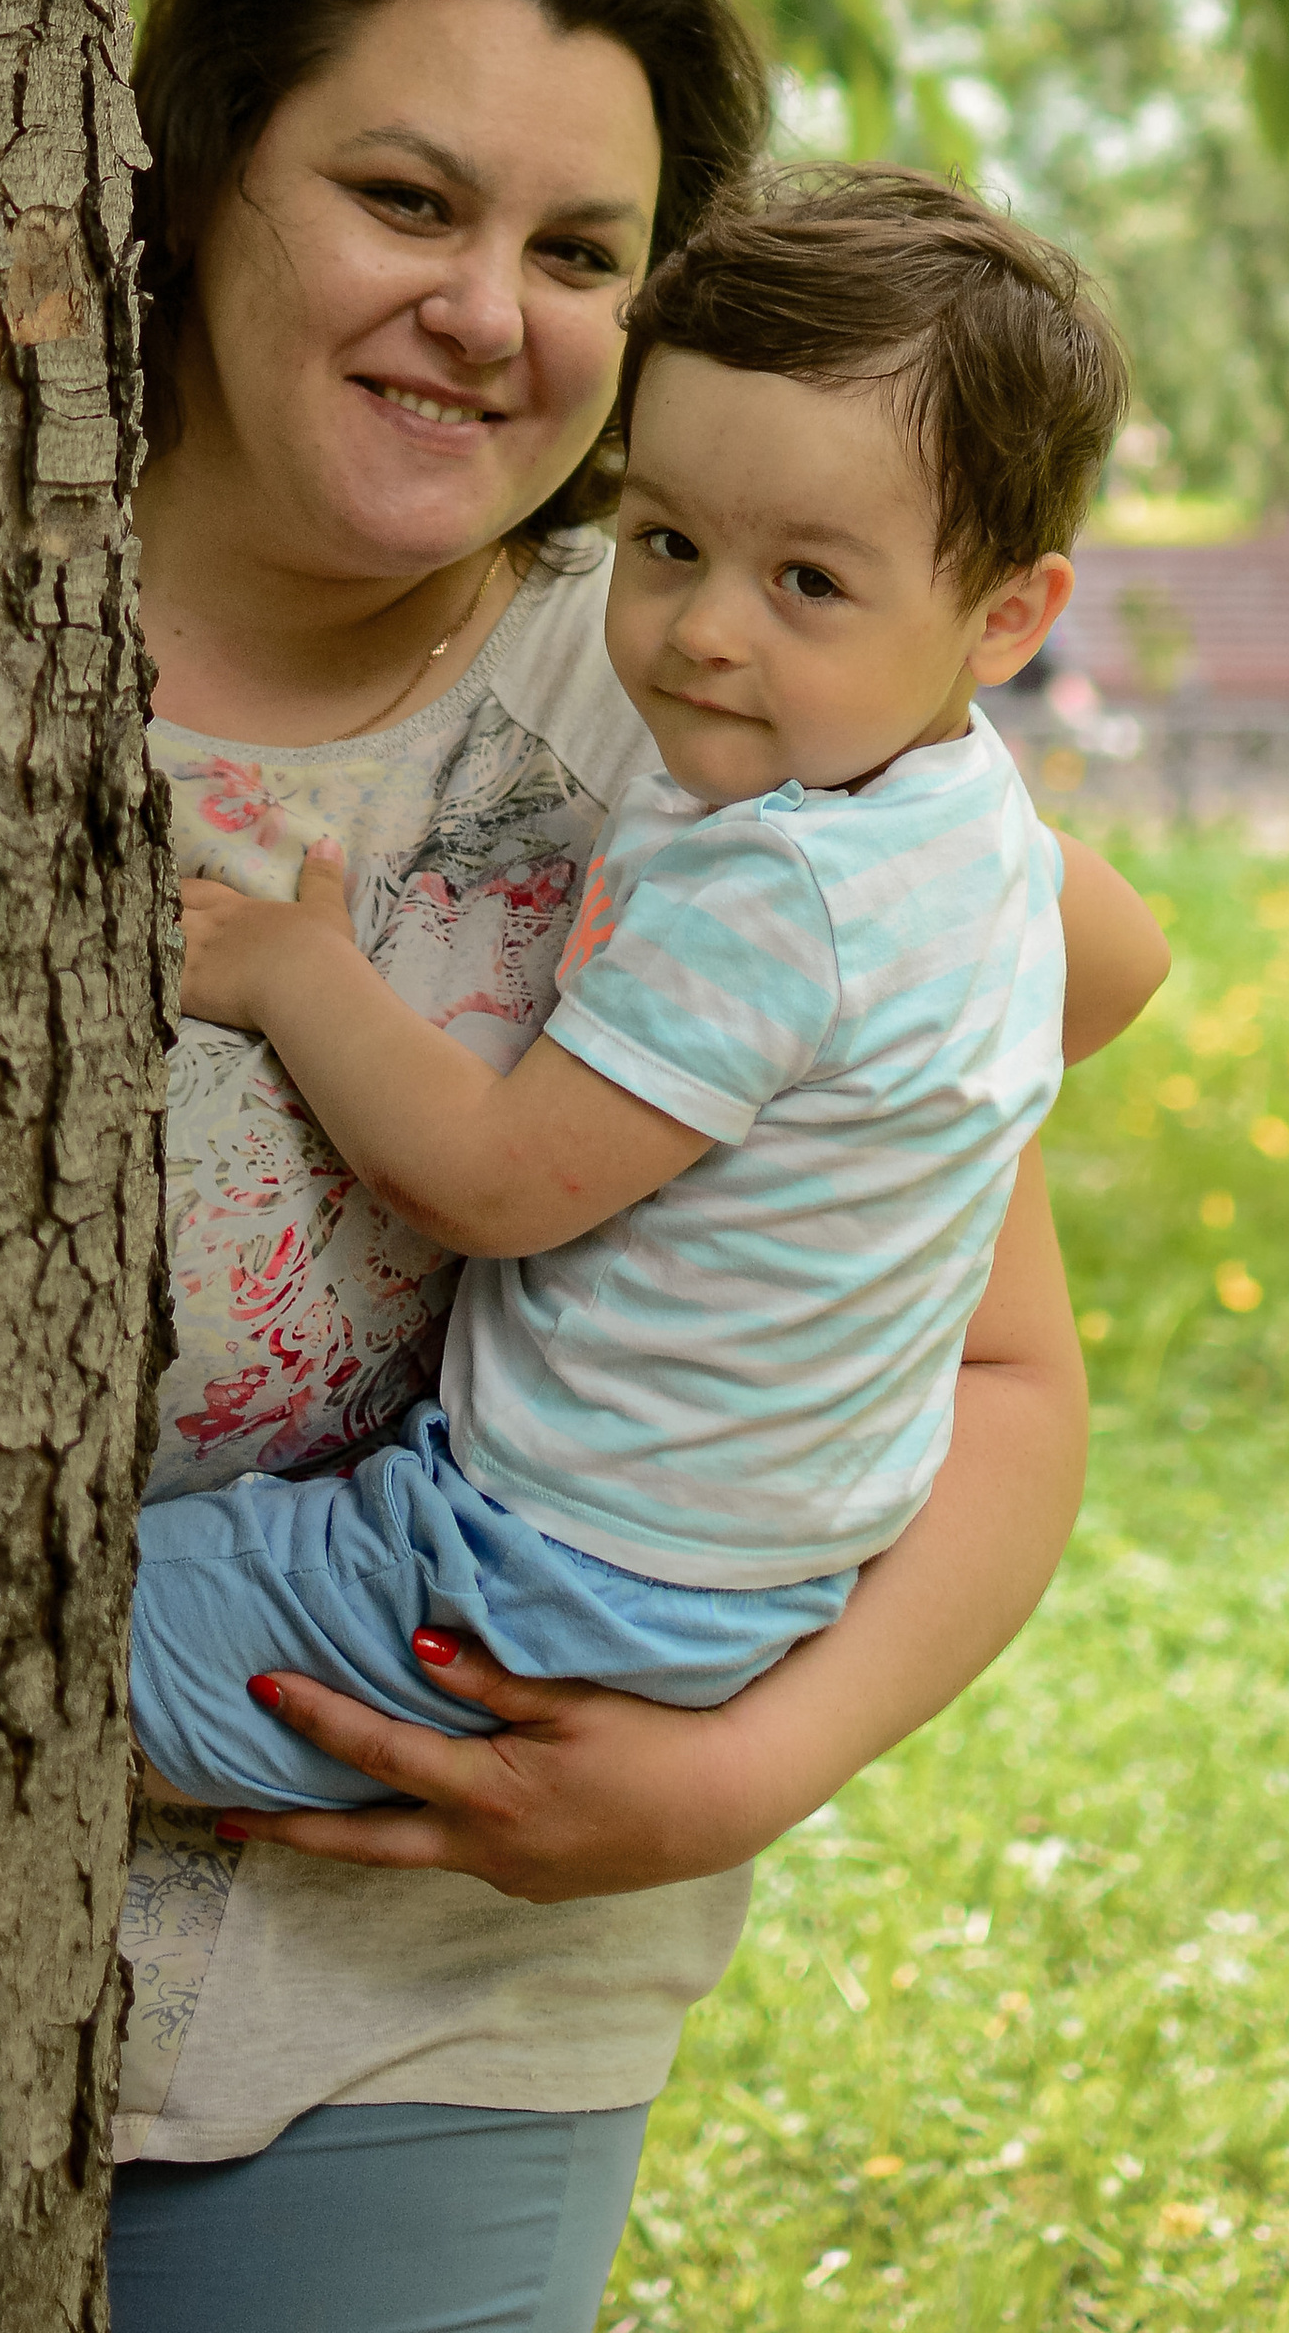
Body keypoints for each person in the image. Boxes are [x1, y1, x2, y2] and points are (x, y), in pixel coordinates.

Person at [107, 0, 1165, 2333]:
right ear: (190, 186)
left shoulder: (708, 696)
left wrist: (731, 1775)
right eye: (401, 199)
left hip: (432, 2015)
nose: (484, 314)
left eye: (581, 253)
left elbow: (998, 1352)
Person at [130, 171, 1137, 1812]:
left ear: (1008, 612)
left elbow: (496, 1183)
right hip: (737, 1572)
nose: (700, 634)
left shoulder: (778, 889)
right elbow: (1131, 963)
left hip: (542, 1575)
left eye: (807, 582)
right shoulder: (953, 808)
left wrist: (293, 970)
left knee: (23, 1661)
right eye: (666, 543)